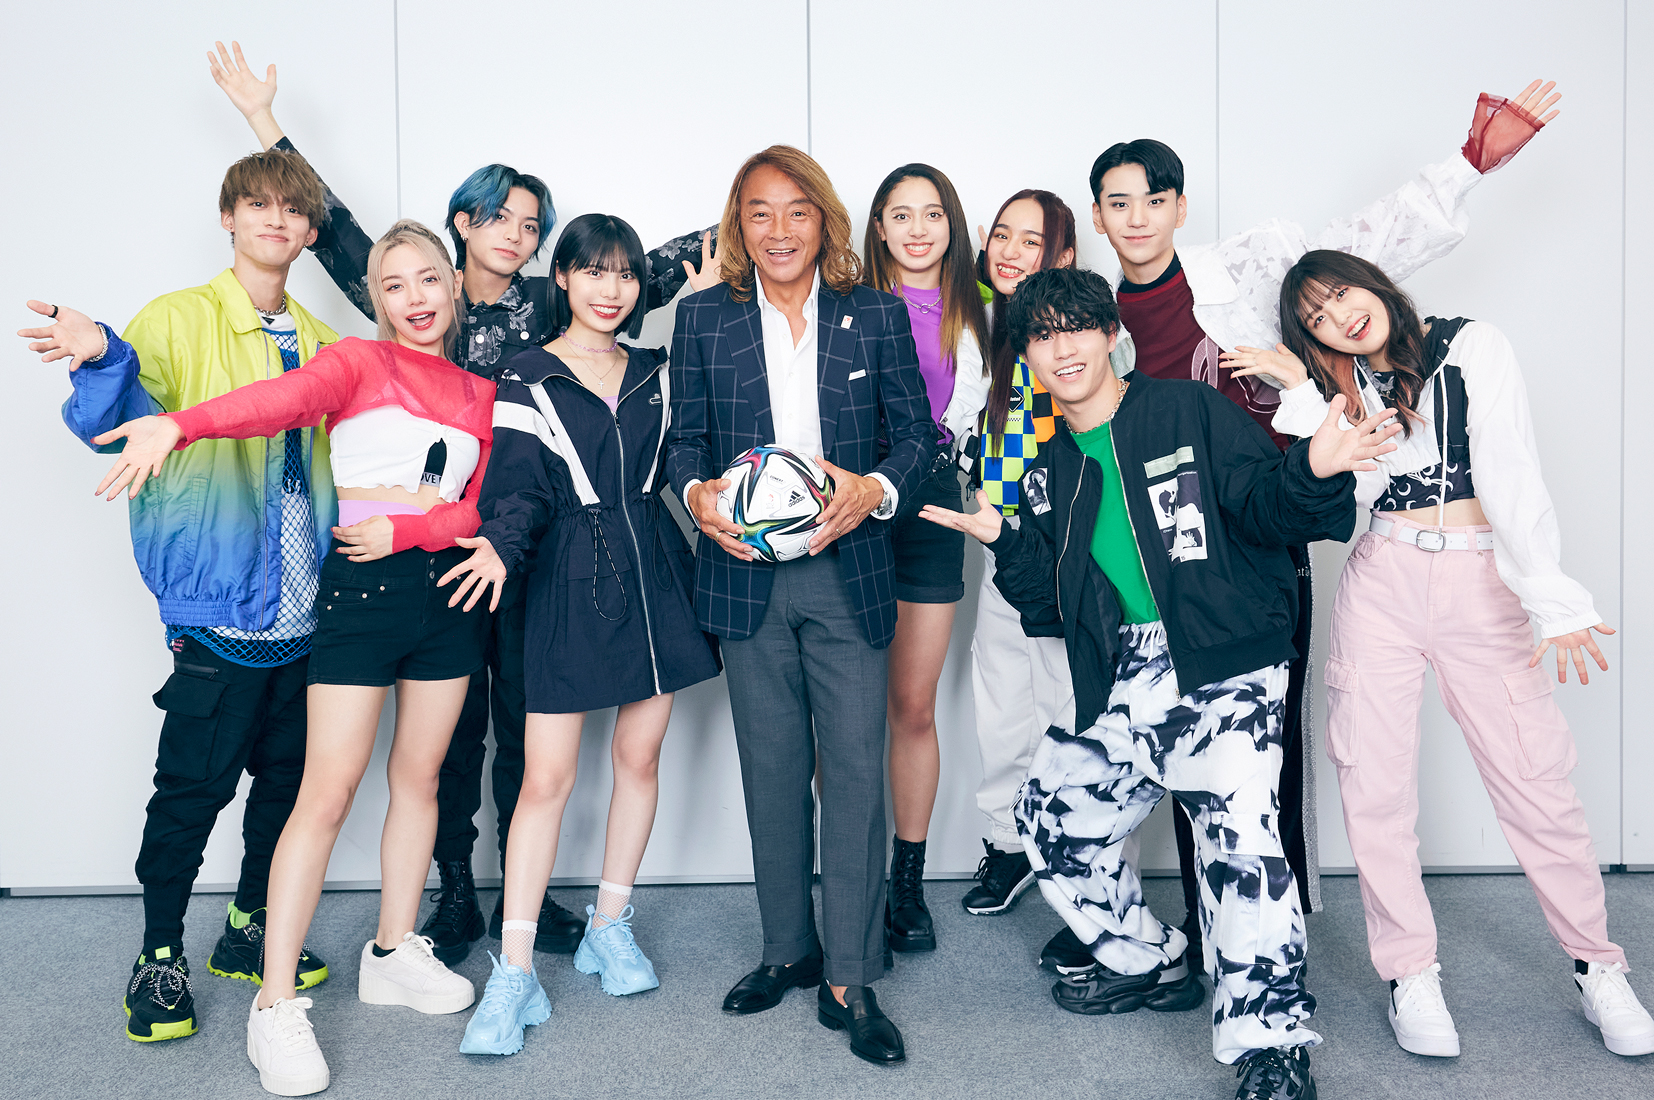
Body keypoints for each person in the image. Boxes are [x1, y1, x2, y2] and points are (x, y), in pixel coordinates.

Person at [209, 40, 723, 963]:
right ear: (461, 225)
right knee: (448, 742)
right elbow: (335, 227)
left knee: (527, 724)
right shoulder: (422, 298)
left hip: (528, 546)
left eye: (530, 225)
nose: (515, 235)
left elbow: (645, 267)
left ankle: (531, 892)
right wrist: (262, 119)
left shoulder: (552, 306)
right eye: (498, 218)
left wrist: (760, 223)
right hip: (431, 554)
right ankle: (453, 890)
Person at [1040, 77, 1566, 978]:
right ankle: (1181, 928)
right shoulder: (1091, 322)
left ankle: (1257, 933)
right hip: (1160, 556)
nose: (1137, 219)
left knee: (1253, 759)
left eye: (1153, 201)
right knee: (1157, 738)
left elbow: (1362, 252)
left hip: (1262, 528)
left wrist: (1468, 165)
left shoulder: (1242, 271)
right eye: (1118, 204)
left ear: (1179, 208)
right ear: (1097, 215)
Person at [922, 267, 1400, 1099]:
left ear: (1111, 334)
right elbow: (1052, 606)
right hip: (1132, 669)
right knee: (1053, 815)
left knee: (1239, 847)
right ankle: (1154, 960)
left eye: (1078, 327)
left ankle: (1271, 1042)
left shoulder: (1188, 411)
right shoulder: (1050, 469)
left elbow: (1269, 510)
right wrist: (1005, 540)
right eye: (1042, 336)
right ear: (1027, 357)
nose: (1063, 348)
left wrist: (1315, 468)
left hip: (1227, 659)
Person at [92, 220, 504, 1097]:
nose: (416, 298)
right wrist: (179, 427)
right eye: (394, 284)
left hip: (446, 599)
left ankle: (391, 951)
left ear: (454, 285)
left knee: (422, 778)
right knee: (327, 791)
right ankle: (273, 1003)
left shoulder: (479, 390)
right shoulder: (356, 363)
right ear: (376, 299)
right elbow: (272, 404)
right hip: (361, 596)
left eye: (429, 279)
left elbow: (476, 507)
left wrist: (414, 530)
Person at [1228, 248, 1654, 1060]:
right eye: (1317, 318)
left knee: (1535, 780)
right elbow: (1353, 489)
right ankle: (1409, 972)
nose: (1339, 317)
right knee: (1374, 784)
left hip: (1479, 582)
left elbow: (1511, 475)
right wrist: (1305, 394)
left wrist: (1551, 595)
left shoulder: (1471, 346)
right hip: (1382, 577)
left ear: (1373, 281)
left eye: (1340, 293)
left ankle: (1599, 965)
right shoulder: (1345, 388)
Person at [19, 147, 336, 1044]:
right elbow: (111, 422)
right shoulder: (175, 319)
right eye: (257, 204)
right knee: (190, 792)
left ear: (311, 234)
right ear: (228, 218)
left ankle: (247, 926)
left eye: (292, 210)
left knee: (286, 786)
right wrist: (101, 356)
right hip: (218, 608)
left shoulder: (321, 338)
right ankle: (159, 953)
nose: (275, 219)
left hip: (307, 611)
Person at [667, 145, 933, 1065]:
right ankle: (788, 949)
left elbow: (918, 436)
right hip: (742, 574)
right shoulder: (703, 318)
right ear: (738, 225)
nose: (779, 230)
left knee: (854, 770)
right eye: (759, 212)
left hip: (847, 567)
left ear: (825, 220)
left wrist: (875, 490)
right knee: (770, 769)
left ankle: (852, 976)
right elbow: (684, 443)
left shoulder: (876, 314)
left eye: (797, 211)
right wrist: (699, 498)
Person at [456, 213, 719, 1056]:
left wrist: (709, 312)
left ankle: (610, 924)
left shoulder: (657, 371)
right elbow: (518, 489)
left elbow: (688, 462)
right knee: (545, 780)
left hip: (657, 572)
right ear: (562, 278)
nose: (612, 289)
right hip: (566, 577)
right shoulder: (527, 375)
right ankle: (515, 973)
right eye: (594, 272)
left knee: (640, 758)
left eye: (626, 274)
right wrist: (500, 545)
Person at [857, 164, 990, 952]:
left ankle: (906, 880)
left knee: (911, 706)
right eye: (900, 214)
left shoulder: (978, 311)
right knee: (844, 712)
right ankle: (852, 874)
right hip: (852, 500)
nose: (916, 229)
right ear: (878, 226)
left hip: (935, 503)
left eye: (931, 214)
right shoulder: (846, 300)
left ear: (952, 225)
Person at [955, 189, 1093, 919]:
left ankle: (1089, 873)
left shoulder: (1082, 331)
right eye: (1001, 236)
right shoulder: (979, 325)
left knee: (1076, 710)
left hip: (1070, 546)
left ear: (1063, 254)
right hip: (998, 542)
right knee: (1002, 705)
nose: (1010, 251)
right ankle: (1009, 844)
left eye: (1030, 241)